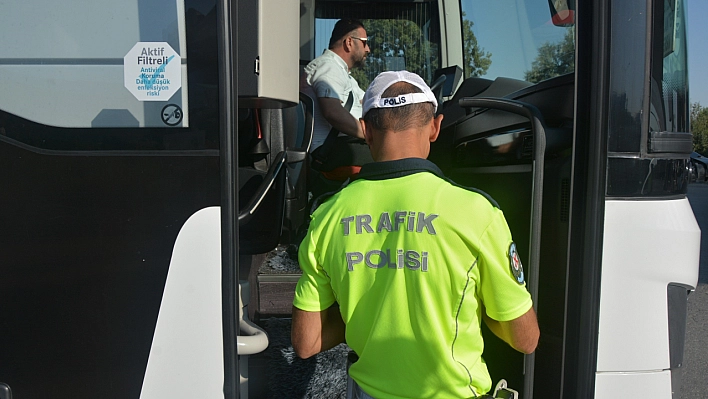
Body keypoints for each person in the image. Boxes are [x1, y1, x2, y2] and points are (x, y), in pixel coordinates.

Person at [291, 70, 540, 398]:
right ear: (435, 127)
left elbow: (306, 343)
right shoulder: (477, 212)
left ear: (365, 131)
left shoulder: (326, 217)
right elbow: (525, 339)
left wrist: (369, 316)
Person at [300, 19, 369, 151]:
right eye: (364, 42)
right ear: (349, 42)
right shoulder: (328, 66)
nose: (368, 49)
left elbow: (368, 102)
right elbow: (332, 112)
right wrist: (371, 134)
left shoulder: (345, 75)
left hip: (344, 145)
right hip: (329, 150)